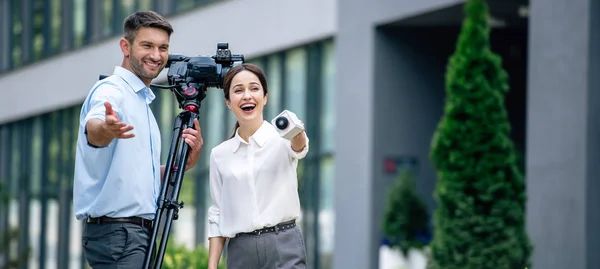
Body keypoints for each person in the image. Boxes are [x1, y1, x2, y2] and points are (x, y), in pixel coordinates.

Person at [73, 10, 203, 268]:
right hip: (119, 234)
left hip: (132, 233)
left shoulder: (141, 100)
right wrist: (106, 130)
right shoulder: (112, 91)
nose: (156, 55)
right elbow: (94, 129)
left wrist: (183, 164)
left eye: (163, 48)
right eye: (147, 45)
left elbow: (141, 177)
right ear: (125, 46)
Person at [206, 63, 309, 269]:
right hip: (241, 251)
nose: (247, 96)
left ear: (265, 97)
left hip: (284, 244)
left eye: (254, 88)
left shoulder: (283, 139)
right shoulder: (220, 155)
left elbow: (300, 147)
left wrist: (297, 132)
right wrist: (212, 266)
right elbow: (217, 213)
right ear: (228, 102)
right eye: (238, 90)